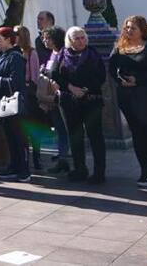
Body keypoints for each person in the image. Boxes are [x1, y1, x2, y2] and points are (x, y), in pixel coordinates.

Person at [108, 15, 147, 187]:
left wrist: (139, 79)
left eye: (132, 28)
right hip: (127, 97)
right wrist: (122, 81)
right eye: (126, 27)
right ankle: (145, 172)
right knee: (138, 134)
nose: (128, 30)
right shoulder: (119, 48)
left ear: (142, 30)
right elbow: (111, 68)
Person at [47, 26, 106, 184]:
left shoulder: (92, 54)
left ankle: (99, 172)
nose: (81, 41)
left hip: (91, 100)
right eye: (77, 38)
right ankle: (80, 169)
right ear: (70, 41)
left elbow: (101, 76)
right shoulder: (62, 55)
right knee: (75, 136)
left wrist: (85, 90)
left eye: (82, 37)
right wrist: (71, 88)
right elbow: (55, 75)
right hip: (70, 101)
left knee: (95, 136)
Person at [0, 27, 30, 182]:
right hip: (1, 105)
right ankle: (14, 166)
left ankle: (24, 170)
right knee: (9, 137)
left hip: (13, 104)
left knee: (18, 137)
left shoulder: (15, 57)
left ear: (9, 40)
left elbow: (16, 82)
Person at [40, 27, 72, 173]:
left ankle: (65, 157)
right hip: (51, 97)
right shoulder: (51, 54)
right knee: (59, 129)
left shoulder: (64, 54)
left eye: (47, 38)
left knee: (64, 128)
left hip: (62, 96)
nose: (44, 40)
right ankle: (62, 157)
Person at [15, 25, 42, 170]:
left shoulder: (31, 53)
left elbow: (35, 77)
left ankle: (37, 158)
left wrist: (26, 83)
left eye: (16, 35)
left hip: (29, 95)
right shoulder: (14, 53)